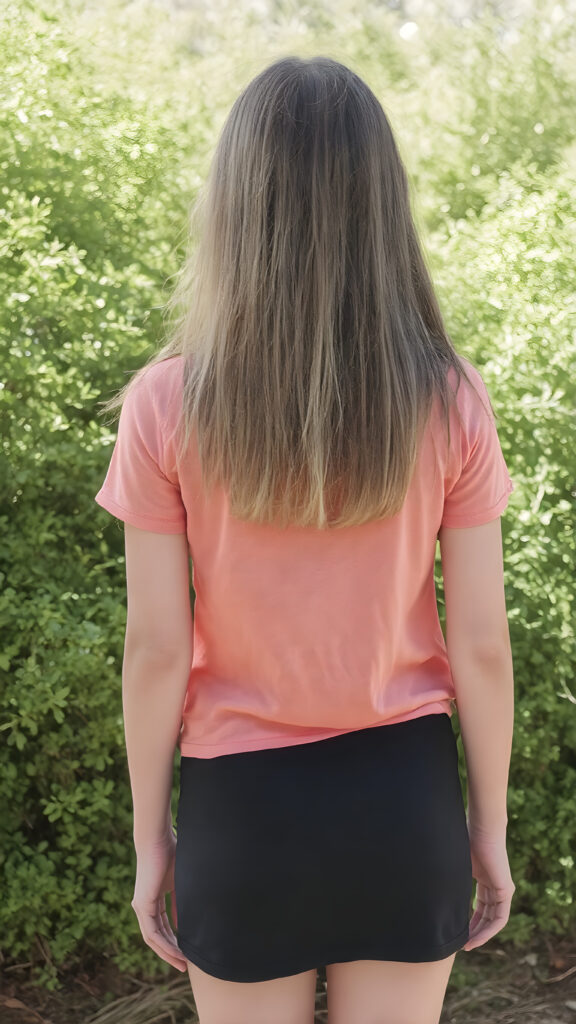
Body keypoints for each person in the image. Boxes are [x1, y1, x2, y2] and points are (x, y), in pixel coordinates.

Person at [94, 55, 516, 1024]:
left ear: (236, 203)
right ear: (383, 205)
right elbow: (481, 646)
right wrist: (485, 828)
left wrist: (152, 837)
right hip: (402, 804)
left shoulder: (166, 403)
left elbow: (157, 648)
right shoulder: (449, 396)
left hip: (239, 816)